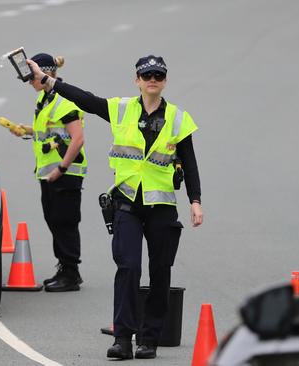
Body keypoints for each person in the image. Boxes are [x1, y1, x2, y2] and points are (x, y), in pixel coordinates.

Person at [26, 55, 204, 360]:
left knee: (160, 272)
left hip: (161, 206)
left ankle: (149, 338)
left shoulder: (177, 118)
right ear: (137, 80)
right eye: (146, 76)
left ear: (164, 81)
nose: (152, 80)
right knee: (128, 267)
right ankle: (123, 337)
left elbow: (189, 160)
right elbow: (86, 100)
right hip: (126, 202)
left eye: (158, 76)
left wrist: (195, 201)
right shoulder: (121, 109)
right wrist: (49, 81)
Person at [7, 53, 86, 292]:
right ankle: (64, 267)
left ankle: (71, 273)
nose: (31, 82)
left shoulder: (64, 101)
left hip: (66, 172)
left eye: (32, 76)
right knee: (54, 219)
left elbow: (77, 138)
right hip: (49, 172)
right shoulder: (46, 99)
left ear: (47, 73)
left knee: (65, 221)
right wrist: (26, 130)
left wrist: (61, 168)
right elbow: (51, 131)